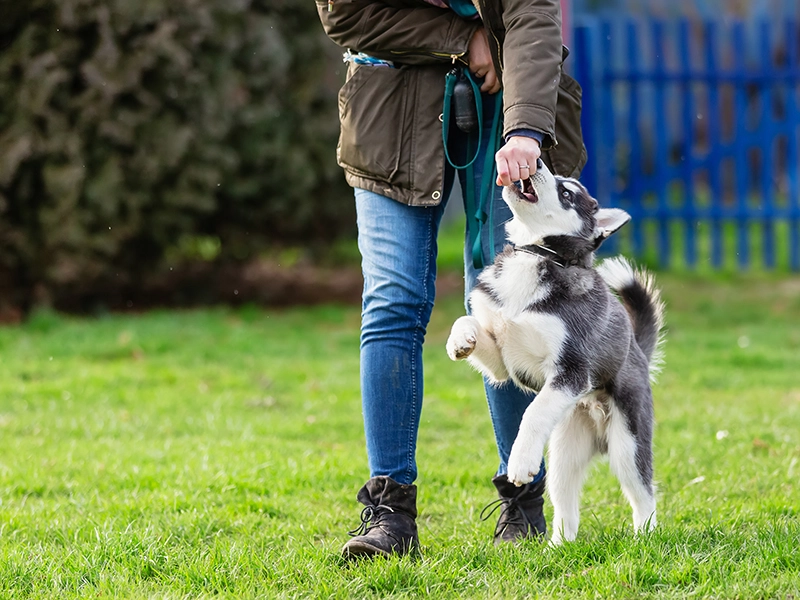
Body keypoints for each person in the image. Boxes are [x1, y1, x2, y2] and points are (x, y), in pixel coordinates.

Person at [316, 0, 586, 558]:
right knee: (393, 300)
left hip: (509, 107)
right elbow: (346, 13)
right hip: (388, 108)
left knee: (513, 302)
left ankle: (523, 497)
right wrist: (462, 38)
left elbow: (533, 15)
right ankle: (388, 513)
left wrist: (529, 129)